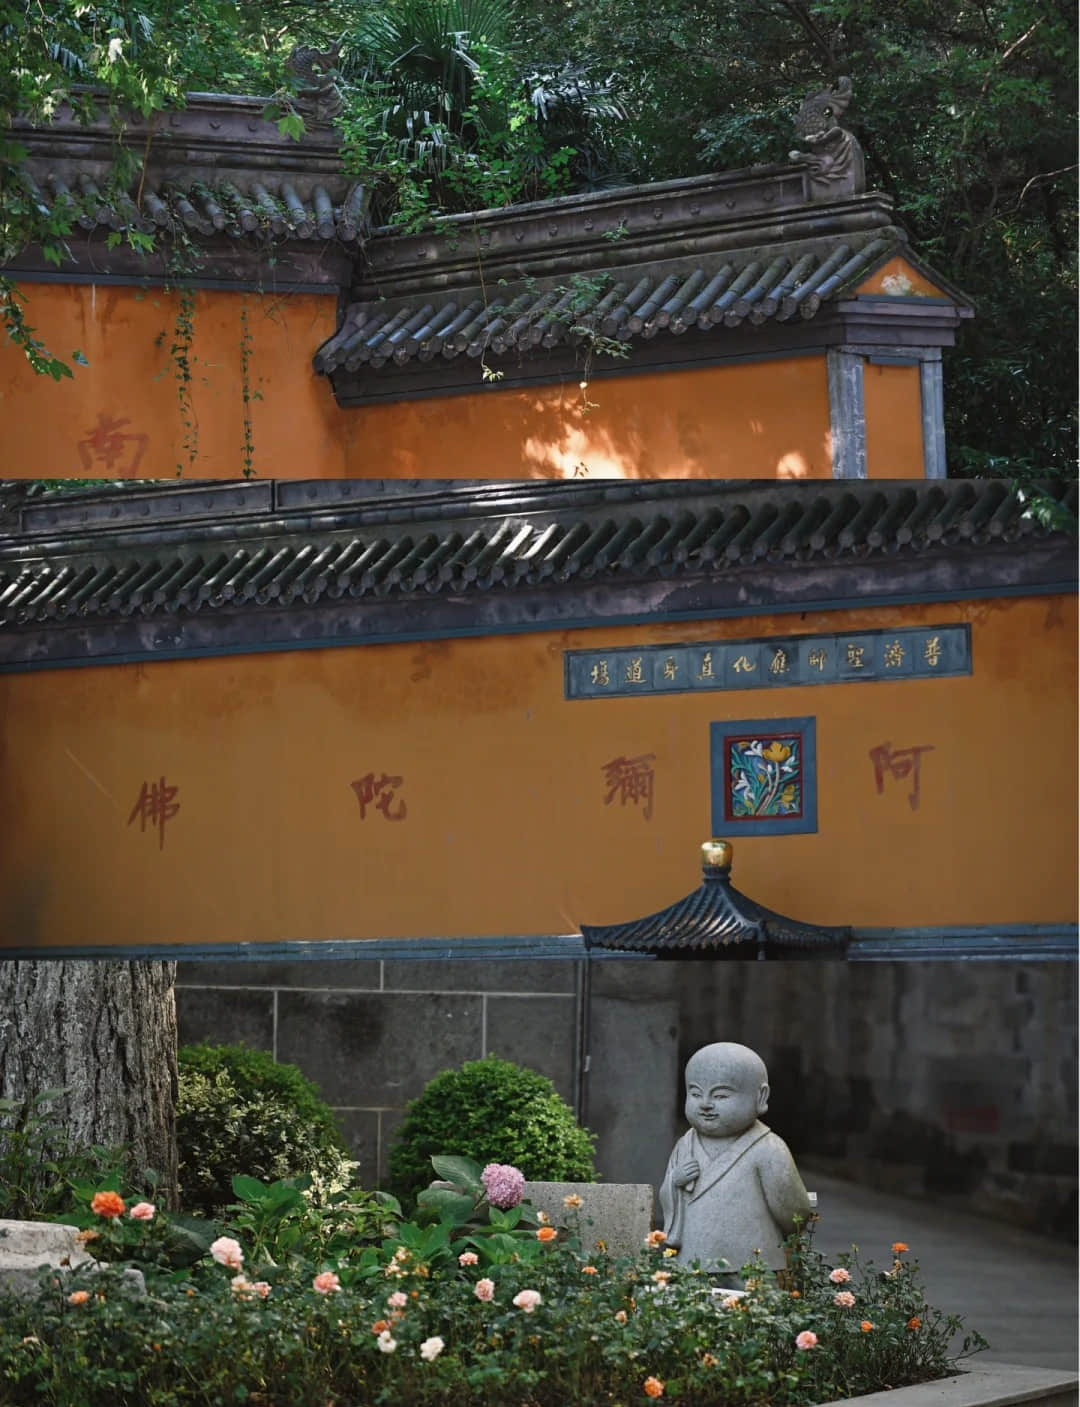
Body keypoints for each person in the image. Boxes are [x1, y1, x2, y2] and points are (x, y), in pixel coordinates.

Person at [658, 1042, 811, 1277]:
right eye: (696, 1093)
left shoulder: (769, 1149)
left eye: (720, 1095)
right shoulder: (685, 1144)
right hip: (692, 1258)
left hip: (753, 1261)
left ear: (761, 1097)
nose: (706, 1104)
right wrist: (675, 1182)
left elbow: (794, 1211)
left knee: (752, 1309)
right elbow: (668, 1194)